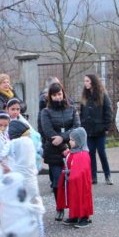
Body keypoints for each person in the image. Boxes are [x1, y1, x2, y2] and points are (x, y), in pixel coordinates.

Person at [38, 83, 79, 219]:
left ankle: (74, 209)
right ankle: (60, 207)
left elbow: (77, 127)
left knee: (72, 181)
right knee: (58, 182)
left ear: (63, 93)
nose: (57, 97)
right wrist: (62, 147)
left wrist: (63, 137)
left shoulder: (72, 109)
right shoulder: (45, 111)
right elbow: (48, 131)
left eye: (59, 94)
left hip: (71, 149)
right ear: (50, 96)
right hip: (54, 151)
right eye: (54, 95)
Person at [79, 74, 113, 185]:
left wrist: (105, 127)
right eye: (85, 81)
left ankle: (108, 175)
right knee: (90, 154)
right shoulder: (85, 96)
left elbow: (108, 112)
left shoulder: (103, 95)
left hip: (100, 131)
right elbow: (82, 112)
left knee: (102, 153)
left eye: (87, 81)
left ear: (93, 82)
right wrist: (82, 124)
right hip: (88, 130)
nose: (85, 83)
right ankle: (93, 176)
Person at [56, 127, 93, 228]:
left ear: (79, 141)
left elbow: (82, 170)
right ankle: (75, 215)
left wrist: (72, 175)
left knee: (82, 197)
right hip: (72, 181)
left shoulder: (82, 154)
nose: (70, 142)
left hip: (80, 183)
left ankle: (84, 217)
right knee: (74, 198)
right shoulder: (73, 152)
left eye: (72, 140)